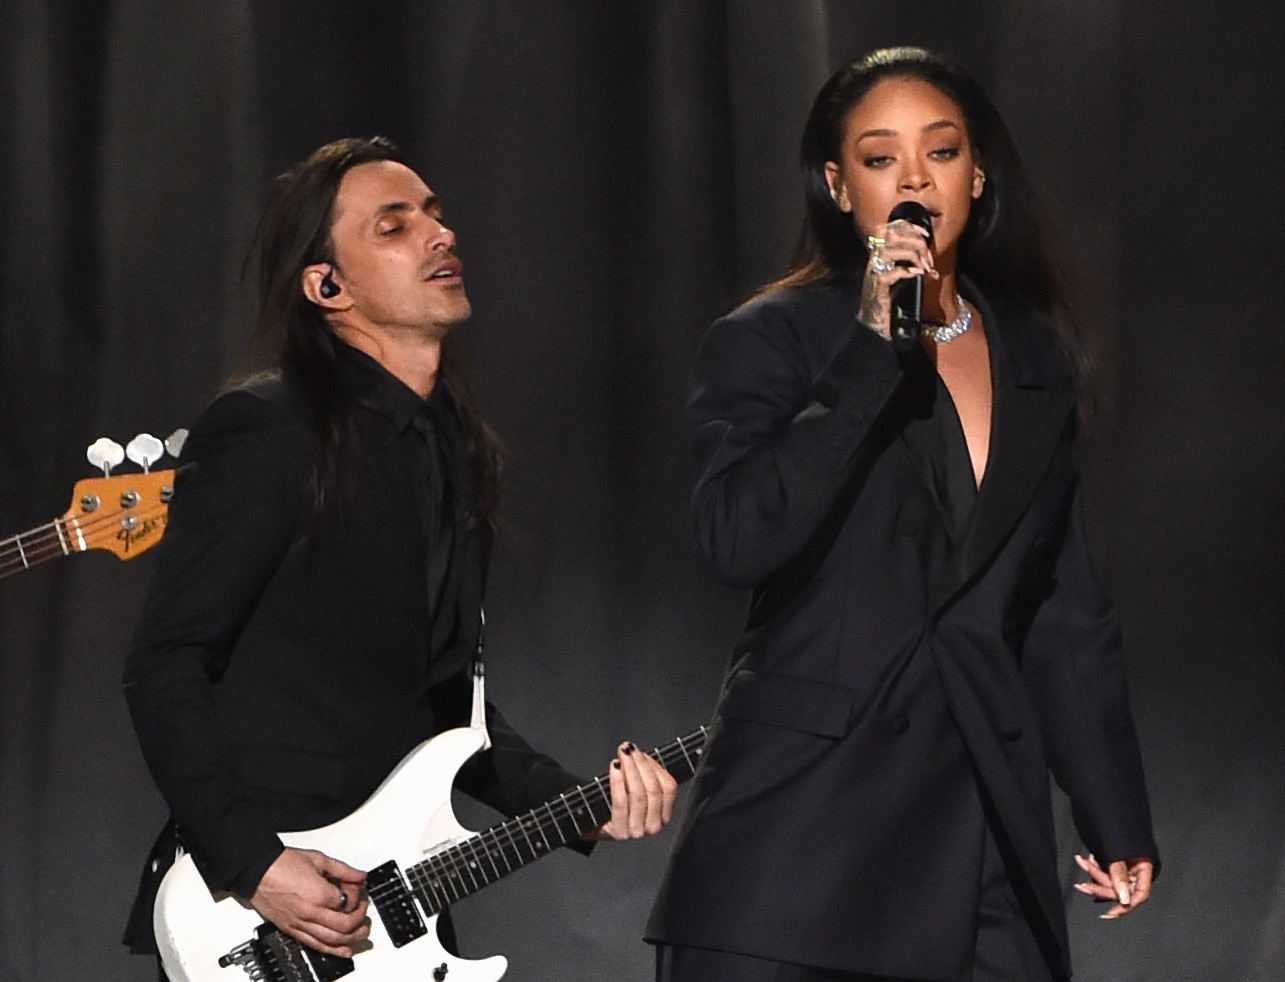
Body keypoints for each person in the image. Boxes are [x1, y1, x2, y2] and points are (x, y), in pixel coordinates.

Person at [646, 48, 1157, 982]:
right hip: (795, 843)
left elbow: (1063, 607)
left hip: (980, 836)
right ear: (840, 188)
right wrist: (875, 343)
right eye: (880, 158)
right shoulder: (773, 337)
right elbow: (736, 535)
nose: (915, 178)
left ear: (978, 172)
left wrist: (1112, 811)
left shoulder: (1035, 356)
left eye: (942, 150)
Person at [121, 136, 677, 975]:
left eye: (435, 215)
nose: (437, 235)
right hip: (267, 910)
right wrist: (256, 866)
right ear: (326, 286)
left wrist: (580, 808)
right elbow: (166, 662)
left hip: (392, 912)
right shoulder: (268, 430)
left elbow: (448, 708)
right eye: (394, 225)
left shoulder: (448, 449)